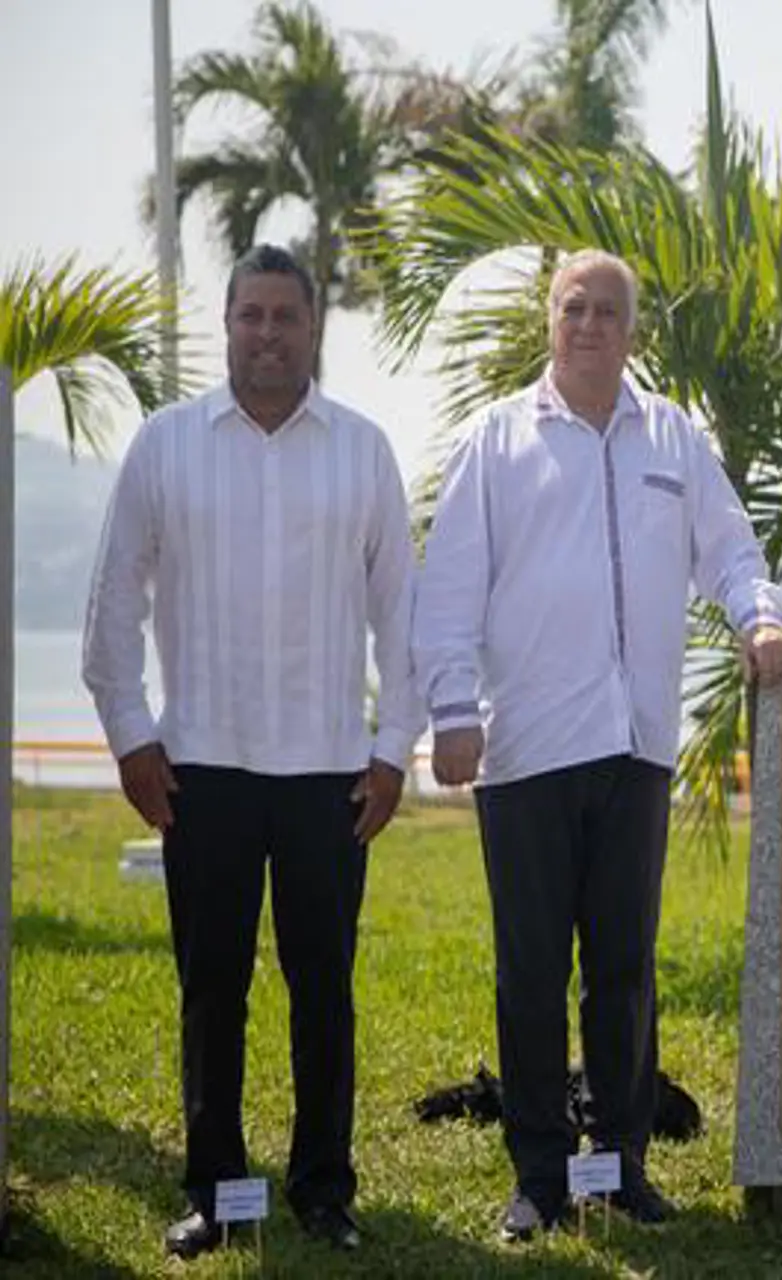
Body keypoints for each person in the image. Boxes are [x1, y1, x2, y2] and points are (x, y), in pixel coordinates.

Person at [412, 249, 782, 1242]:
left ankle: (621, 1166)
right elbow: (448, 588)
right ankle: (540, 1176)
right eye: (571, 307)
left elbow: (731, 549)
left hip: (637, 748)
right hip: (527, 749)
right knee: (532, 971)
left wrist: (760, 618)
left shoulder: (673, 436)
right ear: (550, 321)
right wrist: (452, 708)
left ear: (633, 330)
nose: (588, 323)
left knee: (625, 965)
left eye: (607, 310)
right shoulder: (495, 442)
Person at [81, 244, 422, 1258]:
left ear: (314, 329)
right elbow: (111, 607)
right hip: (204, 770)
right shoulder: (165, 446)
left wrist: (393, 747)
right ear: (226, 324)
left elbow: (402, 614)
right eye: (250, 315)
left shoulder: (362, 450)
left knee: (325, 992)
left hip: (327, 773)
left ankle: (324, 1186)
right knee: (211, 989)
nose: (267, 332)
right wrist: (134, 739)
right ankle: (217, 1190)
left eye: (285, 316)